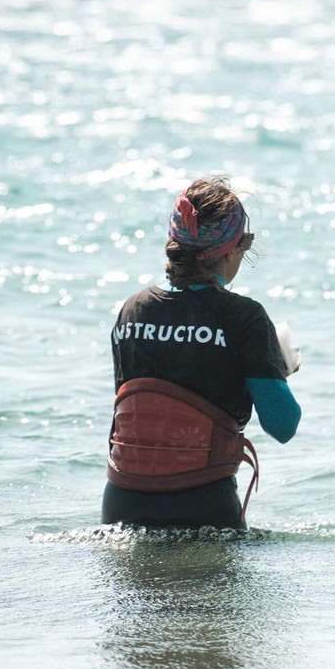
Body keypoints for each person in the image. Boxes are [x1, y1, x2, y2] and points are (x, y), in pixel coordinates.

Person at [102, 176, 301, 529]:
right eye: (245, 243)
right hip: (204, 507)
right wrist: (276, 368)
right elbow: (282, 425)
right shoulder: (244, 318)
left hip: (122, 503)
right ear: (229, 251)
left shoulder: (132, 310)